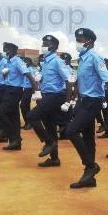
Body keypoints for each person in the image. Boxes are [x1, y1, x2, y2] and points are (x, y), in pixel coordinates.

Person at [64, 27, 108, 189]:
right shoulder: (82, 58)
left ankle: (91, 165)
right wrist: (74, 98)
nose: (77, 43)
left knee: (71, 131)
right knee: (88, 138)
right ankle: (89, 176)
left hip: (93, 101)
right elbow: (80, 82)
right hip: (83, 101)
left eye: (79, 40)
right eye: (77, 40)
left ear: (89, 41)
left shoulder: (95, 58)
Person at [27, 35, 70, 167]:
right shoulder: (45, 61)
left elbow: (69, 80)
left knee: (32, 116)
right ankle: (54, 159)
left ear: (55, 47)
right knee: (50, 126)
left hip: (56, 96)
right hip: (47, 96)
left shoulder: (57, 61)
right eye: (43, 43)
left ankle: (49, 142)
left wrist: (68, 100)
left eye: (47, 44)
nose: (44, 46)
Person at [0, 42, 37, 150]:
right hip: (8, 89)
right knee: (13, 116)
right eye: (4, 49)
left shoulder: (17, 61)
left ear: (13, 50)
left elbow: (28, 75)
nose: (5, 52)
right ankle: (16, 141)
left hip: (15, 91)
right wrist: (4, 76)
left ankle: (12, 137)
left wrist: (36, 90)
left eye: (7, 49)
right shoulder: (8, 61)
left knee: (2, 113)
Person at [20, 57, 35, 130]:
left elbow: (33, 80)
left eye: (26, 61)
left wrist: (34, 90)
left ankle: (29, 123)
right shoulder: (24, 69)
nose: (25, 63)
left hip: (28, 89)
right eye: (24, 61)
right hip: (24, 89)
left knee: (24, 105)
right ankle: (27, 122)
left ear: (30, 62)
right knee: (25, 106)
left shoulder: (30, 70)